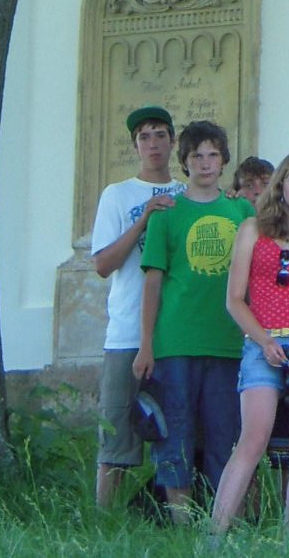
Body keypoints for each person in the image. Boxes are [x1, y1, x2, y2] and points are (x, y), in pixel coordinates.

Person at [211, 152, 289, 538]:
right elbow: (235, 299)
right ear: (280, 184)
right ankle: (214, 534)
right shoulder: (252, 229)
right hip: (263, 342)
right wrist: (263, 339)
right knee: (253, 439)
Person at [135, 120, 253, 520]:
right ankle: (181, 522)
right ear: (184, 162)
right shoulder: (167, 214)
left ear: (223, 160)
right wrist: (146, 344)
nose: (205, 163)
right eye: (196, 155)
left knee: (225, 434)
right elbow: (153, 282)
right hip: (176, 341)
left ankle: (226, 522)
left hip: (229, 341)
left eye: (212, 155)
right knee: (176, 432)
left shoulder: (242, 211)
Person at [89, 105, 185, 509]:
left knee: (178, 431)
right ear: (135, 146)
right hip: (127, 331)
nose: (153, 143)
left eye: (160, 134)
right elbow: (103, 264)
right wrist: (144, 218)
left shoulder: (186, 194)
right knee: (117, 434)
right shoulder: (117, 194)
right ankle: (105, 518)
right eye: (144, 136)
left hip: (176, 332)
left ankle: (173, 513)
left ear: (173, 142)